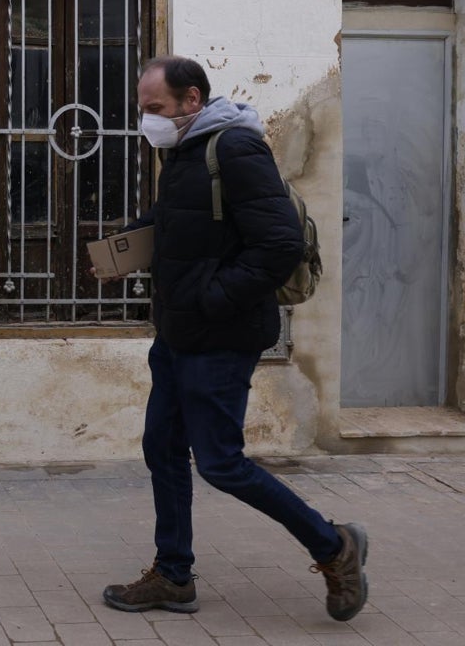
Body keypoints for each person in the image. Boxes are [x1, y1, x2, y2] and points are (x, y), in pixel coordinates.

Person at [98, 55, 368, 621]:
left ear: (192, 100)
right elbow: (191, 220)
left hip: (219, 336)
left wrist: (211, 296)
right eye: (143, 109)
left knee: (221, 463)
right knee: (162, 449)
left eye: (156, 108)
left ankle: (334, 546)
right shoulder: (185, 150)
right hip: (177, 333)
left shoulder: (236, 149)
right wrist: (130, 243)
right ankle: (173, 576)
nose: (147, 119)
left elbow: (277, 246)